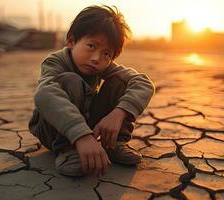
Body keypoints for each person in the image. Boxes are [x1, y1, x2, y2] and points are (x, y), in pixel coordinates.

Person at [29, 5, 155, 177]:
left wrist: (118, 114)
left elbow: (142, 82)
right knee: (70, 81)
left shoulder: (100, 66)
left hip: (87, 126)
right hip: (54, 130)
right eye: (91, 46)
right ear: (71, 41)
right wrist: (82, 136)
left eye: (106, 54)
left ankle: (113, 143)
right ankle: (68, 150)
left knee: (120, 81)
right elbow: (45, 94)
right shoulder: (55, 62)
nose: (97, 58)